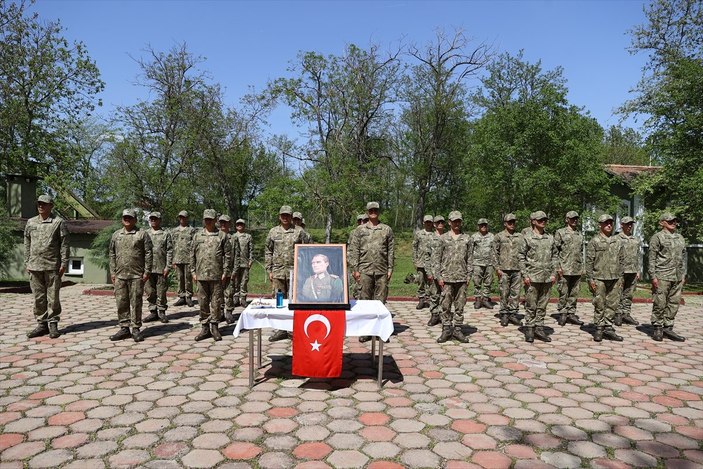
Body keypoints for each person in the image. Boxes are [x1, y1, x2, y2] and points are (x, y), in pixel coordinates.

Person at [24, 194, 69, 339]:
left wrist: (64, 263)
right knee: (38, 297)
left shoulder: (58, 222)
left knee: (53, 297)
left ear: (51, 206)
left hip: (52, 265)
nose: (41, 206)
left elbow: (64, 244)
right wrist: (27, 261)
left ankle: (53, 323)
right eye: (39, 204)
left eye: (44, 204)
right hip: (34, 265)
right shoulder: (31, 222)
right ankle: (41, 324)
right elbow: (27, 242)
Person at [348, 201, 394, 342]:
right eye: (371, 210)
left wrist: (390, 268)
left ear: (379, 212)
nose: (373, 212)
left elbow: (391, 250)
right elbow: (354, 250)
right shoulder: (359, 230)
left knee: (380, 302)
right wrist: (355, 269)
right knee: (365, 302)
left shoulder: (386, 229)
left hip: (381, 269)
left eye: (375, 210)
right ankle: (366, 331)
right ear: (367, 212)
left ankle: (380, 331)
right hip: (365, 269)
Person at [109, 209, 153, 342]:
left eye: (130, 217)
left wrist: (147, 272)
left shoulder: (142, 234)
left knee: (136, 302)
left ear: (135, 220)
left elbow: (148, 254)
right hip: (120, 275)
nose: (127, 219)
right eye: (125, 217)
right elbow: (112, 254)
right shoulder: (116, 235)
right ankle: (124, 328)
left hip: (136, 275)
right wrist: (112, 272)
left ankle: (135, 328)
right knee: (121, 303)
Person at [191, 209, 232, 341]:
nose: (208, 221)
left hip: (216, 275)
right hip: (201, 275)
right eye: (206, 219)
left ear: (215, 220)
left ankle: (215, 327)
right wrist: (193, 272)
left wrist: (225, 272)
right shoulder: (197, 236)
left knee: (216, 302)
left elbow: (228, 256)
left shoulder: (222, 236)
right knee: (202, 302)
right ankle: (205, 328)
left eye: (210, 219)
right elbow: (192, 255)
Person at [266, 205, 306, 341]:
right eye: (282, 215)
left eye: (287, 215)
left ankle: (293, 329)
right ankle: (281, 329)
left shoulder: (299, 231)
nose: (285, 217)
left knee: (294, 300)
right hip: (277, 271)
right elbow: (268, 251)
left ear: (291, 217)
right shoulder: (273, 232)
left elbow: (308, 249)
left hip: (294, 271)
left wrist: (305, 269)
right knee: (279, 301)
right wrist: (269, 269)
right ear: (279, 216)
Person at [432, 210, 472, 343]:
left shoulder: (467, 238)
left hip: (461, 277)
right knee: (445, 304)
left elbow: (470, 258)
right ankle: (447, 328)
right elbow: (436, 259)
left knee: (460, 305)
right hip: (446, 277)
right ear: (449, 222)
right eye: (454, 221)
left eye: (458, 221)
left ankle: (458, 329)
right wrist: (439, 277)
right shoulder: (442, 238)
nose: (456, 223)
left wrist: (469, 275)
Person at [518, 211, 557, 343]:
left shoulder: (550, 238)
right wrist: (525, 275)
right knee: (531, 304)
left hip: (546, 277)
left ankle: (539, 328)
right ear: (533, 221)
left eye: (544, 219)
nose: (543, 221)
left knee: (543, 304)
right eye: (540, 220)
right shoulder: (527, 237)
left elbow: (555, 256)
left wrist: (553, 273)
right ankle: (529, 328)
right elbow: (521, 257)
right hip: (532, 277)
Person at [648, 212, 687, 342]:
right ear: (662, 223)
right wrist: (653, 276)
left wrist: (683, 274)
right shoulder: (657, 237)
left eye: (674, 221)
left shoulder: (680, 237)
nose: (673, 223)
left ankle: (668, 327)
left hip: (677, 276)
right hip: (662, 275)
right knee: (660, 302)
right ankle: (658, 327)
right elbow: (652, 258)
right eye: (670, 221)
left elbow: (684, 256)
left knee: (674, 303)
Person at [585, 214, 624, 342]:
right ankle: (599, 328)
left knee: (613, 304)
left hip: (615, 278)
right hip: (599, 277)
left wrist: (621, 277)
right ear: (600, 225)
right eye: (606, 223)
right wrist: (590, 279)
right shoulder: (594, 241)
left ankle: (608, 327)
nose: (609, 225)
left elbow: (622, 260)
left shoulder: (617, 241)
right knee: (599, 304)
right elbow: (589, 261)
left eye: (610, 223)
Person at [554, 211, 585, 326]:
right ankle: (562, 313)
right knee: (563, 292)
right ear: (567, 219)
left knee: (574, 292)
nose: (574, 220)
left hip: (576, 268)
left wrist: (582, 267)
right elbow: (555, 251)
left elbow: (581, 252)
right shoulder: (560, 232)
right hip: (564, 267)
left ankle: (571, 313)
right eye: (572, 218)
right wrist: (558, 267)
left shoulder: (579, 234)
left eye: (576, 218)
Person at [493, 213, 523, 327]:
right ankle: (504, 313)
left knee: (515, 293)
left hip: (517, 268)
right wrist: (497, 268)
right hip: (504, 269)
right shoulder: (499, 236)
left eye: (513, 222)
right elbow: (494, 253)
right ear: (505, 223)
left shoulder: (520, 236)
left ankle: (513, 313)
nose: (512, 224)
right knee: (504, 292)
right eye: (509, 222)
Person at [144, 212, 173, 324]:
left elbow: (170, 250)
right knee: (150, 291)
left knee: (161, 291)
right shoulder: (145, 233)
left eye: (155, 219)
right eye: (151, 219)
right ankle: (153, 311)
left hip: (161, 267)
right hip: (148, 268)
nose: (153, 221)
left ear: (160, 220)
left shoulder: (165, 234)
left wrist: (168, 266)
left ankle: (161, 311)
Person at [616, 216, 641, 326]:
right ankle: (617, 314)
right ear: (622, 225)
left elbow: (638, 256)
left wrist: (638, 270)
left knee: (629, 294)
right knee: (618, 293)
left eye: (631, 224)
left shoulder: (635, 239)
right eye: (627, 224)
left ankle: (626, 314)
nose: (629, 226)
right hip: (620, 271)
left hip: (632, 270)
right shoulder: (616, 239)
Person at [219, 215, 241, 324]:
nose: (223, 224)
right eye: (221, 222)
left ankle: (229, 312)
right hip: (217, 271)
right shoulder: (215, 236)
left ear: (229, 224)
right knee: (217, 293)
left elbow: (237, 255)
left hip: (229, 270)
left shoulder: (233, 238)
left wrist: (235, 270)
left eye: (225, 222)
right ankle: (220, 312)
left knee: (229, 292)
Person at [425, 215, 446, 327]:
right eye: (438, 222)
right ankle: (434, 314)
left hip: (445, 271)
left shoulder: (448, 237)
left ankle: (443, 314)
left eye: (442, 222)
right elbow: (427, 257)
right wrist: (428, 272)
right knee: (434, 294)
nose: (440, 224)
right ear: (434, 224)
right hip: (433, 271)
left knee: (445, 295)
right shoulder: (430, 238)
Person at [171, 211, 195, 307]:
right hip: (177, 257)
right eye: (180, 217)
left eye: (184, 217)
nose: (182, 219)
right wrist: (172, 259)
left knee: (188, 278)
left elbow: (194, 245)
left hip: (188, 258)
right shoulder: (174, 231)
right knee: (179, 278)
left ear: (187, 218)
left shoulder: (191, 230)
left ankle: (188, 297)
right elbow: (172, 245)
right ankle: (181, 297)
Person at [470, 218, 495, 309]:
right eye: (481, 225)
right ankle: (477, 299)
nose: (483, 226)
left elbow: (495, 250)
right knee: (477, 282)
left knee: (488, 282)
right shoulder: (474, 237)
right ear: (478, 226)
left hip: (489, 263)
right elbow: (470, 250)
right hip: (477, 262)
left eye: (485, 225)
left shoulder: (492, 236)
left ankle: (485, 299)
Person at [231, 218, 253, 314]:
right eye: (238, 224)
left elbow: (251, 249)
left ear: (244, 226)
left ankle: (243, 298)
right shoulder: (232, 236)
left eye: (241, 224)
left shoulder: (248, 236)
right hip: (235, 263)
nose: (240, 225)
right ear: (236, 226)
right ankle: (235, 297)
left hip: (245, 262)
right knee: (235, 281)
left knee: (244, 281)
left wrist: (250, 260)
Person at [412, 215, 435, 309]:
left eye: (430, 222)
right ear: (423, 223)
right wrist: (414, 260)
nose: (428, 224)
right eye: (426, 222)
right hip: (421, 261)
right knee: (421, 281)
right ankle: (421, 299)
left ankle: (429, 299)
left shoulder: (435, 235)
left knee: (431, 281)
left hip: (431, 262)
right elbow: (414, 247)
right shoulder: (419, 234)